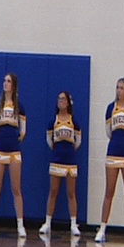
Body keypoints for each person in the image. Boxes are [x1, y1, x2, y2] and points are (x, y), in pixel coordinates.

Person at [95, 78, 124, 245]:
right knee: (109, 192)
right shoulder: (110, 108)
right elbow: (108, 132)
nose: (118, 90)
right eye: (117, 87)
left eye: (121, 88)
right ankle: (102, 229)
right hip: (113, 152)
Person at [0, 73, 26, 237]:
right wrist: (0, 139)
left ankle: (20, 225)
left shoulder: (20, 106)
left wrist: (15, 141)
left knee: (16, 189)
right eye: (4, 81)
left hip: (14, 151)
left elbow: (23, 130)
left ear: (14, 85)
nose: (5, 83)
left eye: (8, 81)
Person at [39, 91, 82, 237]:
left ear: (68, 102)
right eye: (59, 98)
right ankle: (47, 222)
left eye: (63, 99)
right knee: (53, 192)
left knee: (71, 193)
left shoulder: (74, 122)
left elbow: (78, 142)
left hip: (70, 161)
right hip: (56, 159)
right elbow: (49, 141)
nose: (61, 101)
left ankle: (73, 224)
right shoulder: (53, 122)